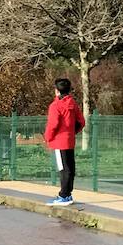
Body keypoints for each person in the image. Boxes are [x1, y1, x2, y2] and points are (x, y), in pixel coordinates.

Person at [44, 76, 86, 206]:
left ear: (57, 91)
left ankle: (63, 195)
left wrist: (48, 138)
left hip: (58, 141)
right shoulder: (73, 104)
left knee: (63, 168)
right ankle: (68, 193)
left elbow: (53, 125)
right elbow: (81, 122)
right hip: (69, 140)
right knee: (70, 167)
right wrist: (72, 132)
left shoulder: (55, 105)